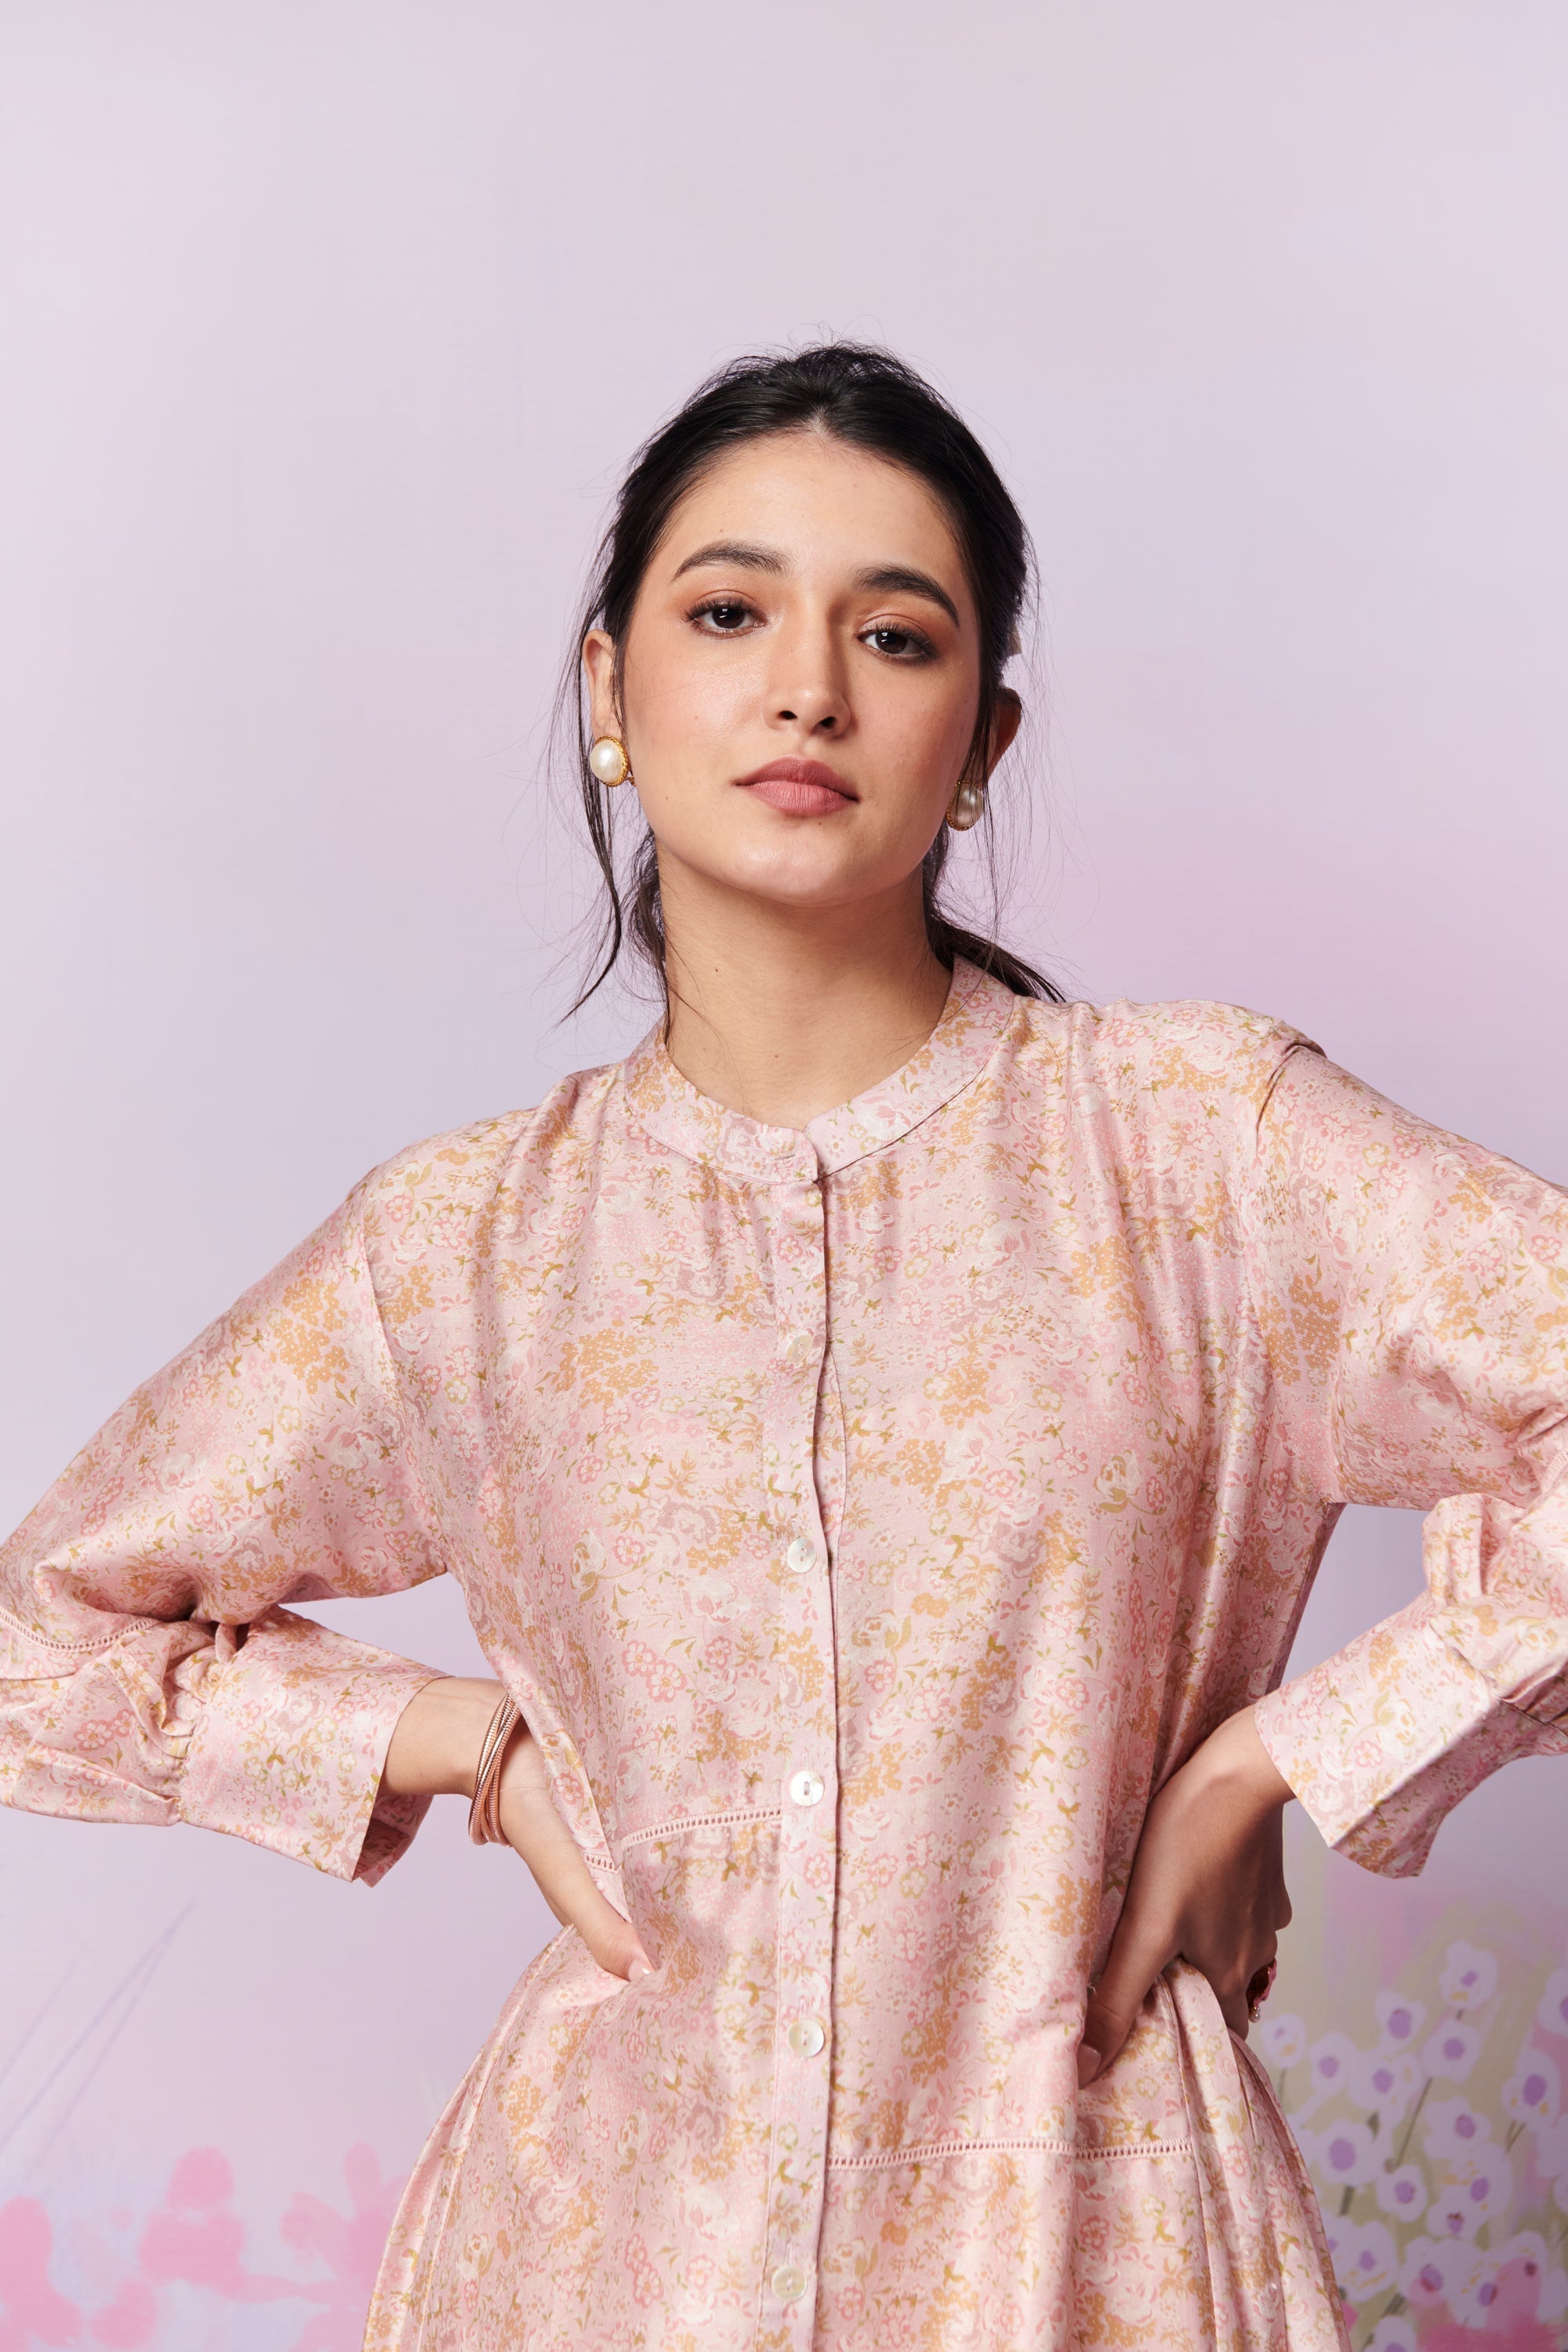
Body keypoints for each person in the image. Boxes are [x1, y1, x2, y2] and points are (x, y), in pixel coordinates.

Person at [2, 343, 1563, 2352]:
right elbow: (41, 1637)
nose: (809, 688)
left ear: (982, 739)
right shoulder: (466, 1250)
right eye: (729, 613)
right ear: (607, 692)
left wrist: (1279, 1762)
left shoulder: (1198, 1154)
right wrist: (466, 1750)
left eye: (894, 637)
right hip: (603, 2263)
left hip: (1085, 2251)